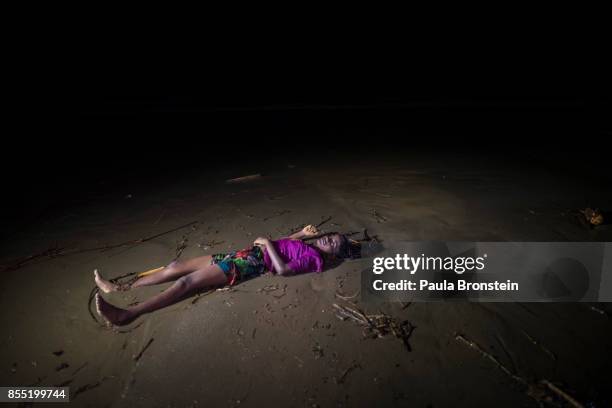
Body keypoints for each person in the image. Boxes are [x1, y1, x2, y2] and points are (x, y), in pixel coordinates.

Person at [94, 225, 359, 326]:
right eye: (330, 237)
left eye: (333, 244)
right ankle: (119, 289)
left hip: (252, 264)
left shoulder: (315, 259)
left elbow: (282, 270)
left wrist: (266, 244)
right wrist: (302, 234)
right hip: (246, 253)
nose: (328, 241)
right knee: (176, 266)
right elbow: (286, 245)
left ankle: (128, 314)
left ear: (335, 255)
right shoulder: (311, 246)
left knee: (185, 283)